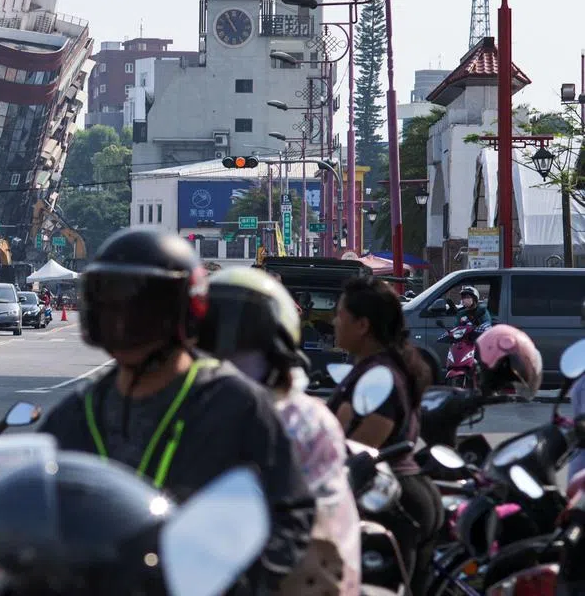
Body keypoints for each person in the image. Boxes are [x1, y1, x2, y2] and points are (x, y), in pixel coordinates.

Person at [37, 228, 314, 593]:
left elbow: (289, 514)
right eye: (109, 303)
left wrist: (234, 582)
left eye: (139, 307)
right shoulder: (74, 415)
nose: (121, 320)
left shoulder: (236, 406)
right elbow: (35, 515)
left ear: (183, 310)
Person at [198, 267, 360, 595]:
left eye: (245, 352)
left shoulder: (303, 422)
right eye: (215, 349)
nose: (229, 366)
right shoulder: (179, 413)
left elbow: (318, 531)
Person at [329, 276, 443, 594]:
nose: (334, 322)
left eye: (340, 314)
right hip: (399, 496)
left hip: (393, 502)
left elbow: (362, 447)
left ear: (362, 325)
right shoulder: (377, 367)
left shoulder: (380, 376)